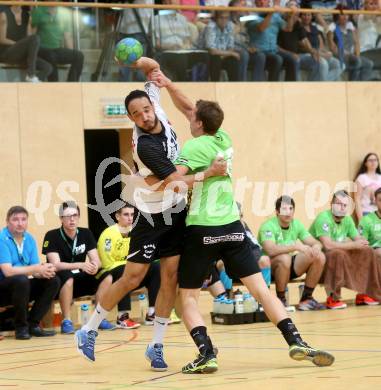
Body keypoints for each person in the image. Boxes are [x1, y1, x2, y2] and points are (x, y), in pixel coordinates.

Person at [149, 69, 334, 373]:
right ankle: (296, 340)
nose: (188, 117)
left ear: (198, 124)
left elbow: (175, 182)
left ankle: (206, 352)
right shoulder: (224, 138)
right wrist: (168, 84)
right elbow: (189, 108)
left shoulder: (193, 148)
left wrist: (171, 175)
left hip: (202, 228)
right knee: (262, 290)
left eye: (192, 117)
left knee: (189, 296)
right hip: (234, 227)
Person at [75, 56, 226, 367]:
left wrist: (147, 64)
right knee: (134, 277)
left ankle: (156, 344)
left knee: (170, 277)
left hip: (176, 214)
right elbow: (174, 183)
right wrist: (207, 174)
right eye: (136, 114)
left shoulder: (154, 104)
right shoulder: (146, 146)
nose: (144, 116)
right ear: (131, 119)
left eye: (146, 109)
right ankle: (88, 329)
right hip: (152, 214)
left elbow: (162, 83)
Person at [43, 201, 115, 334]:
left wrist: (94, 266)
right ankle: (67, 320)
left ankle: (98, 318)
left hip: (80, 278)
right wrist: (81, 265)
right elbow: (56, 265)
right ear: (61, 219)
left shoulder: (85, 233)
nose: (72, 219)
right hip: (61, 280)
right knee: (67, 277)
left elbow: (97, 260)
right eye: (67, 216)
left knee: (106, 275)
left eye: (75, 215)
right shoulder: (52, 235)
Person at [309, 190, 381, 309]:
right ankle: (333, 298)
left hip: (338, 259)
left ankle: (365, 293)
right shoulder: (324, 218)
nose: (341, 207)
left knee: (367, 251)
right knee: (337, 253)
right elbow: (328, 245)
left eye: (344, 205)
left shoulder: (347, 220)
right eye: (338, 204)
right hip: (319, 262)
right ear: (331, 204)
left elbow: (360, 241)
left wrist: (361, 243)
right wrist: (352, 245)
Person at [97, 204, 161, 328]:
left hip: (132, 272)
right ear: (117, 216)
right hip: (112, 273)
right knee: (124, 272)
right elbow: (107, 263)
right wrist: (130, 266)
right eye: (126, 214)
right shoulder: (109, 234)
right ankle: (122, 317)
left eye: (132, 215)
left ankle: (152, 313)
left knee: (155, 267)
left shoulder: (137, 232)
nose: (130, 218)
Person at [0, 206, 59, 340]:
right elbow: (8, 272)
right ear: (7, 222)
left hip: (22, 288)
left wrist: (43, 271)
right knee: (21, 280)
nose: (20, 223)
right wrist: (36, 269)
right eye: (15, 219)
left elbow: (35, 268)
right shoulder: (2, 239)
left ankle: (33, 325)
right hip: (4, 289)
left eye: (23, 219)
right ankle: (21, 327)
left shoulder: (30, 239)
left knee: (53, 280)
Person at [259, 196, 326, 311]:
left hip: (289, 267)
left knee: (319, 256)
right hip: (269, 269)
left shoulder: (297, 224)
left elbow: (316, 243)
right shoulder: (268, 226)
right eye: (284, 209)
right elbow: (270, 250)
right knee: (284, 258)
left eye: (290, 209)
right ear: (277, 212)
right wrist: (295, 246)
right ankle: (281, 299)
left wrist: (316, 247)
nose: (288, 212)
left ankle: (306, 299)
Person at [31, 5, 84, 81]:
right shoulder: (38, 11)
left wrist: (71, 52)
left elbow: (67, 37)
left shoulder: (64, 13)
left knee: (78, 55)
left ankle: (72, 86)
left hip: (56, 49)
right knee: (51, 55)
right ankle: (54, 86)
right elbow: (32, 35)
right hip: (41, 49)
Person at [0, 4, 52, 81]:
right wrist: (19, 45)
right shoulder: (4, 14)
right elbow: (2, 39)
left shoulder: (27, 15)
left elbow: (30, 37)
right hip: (7, 53)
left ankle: (30, 85)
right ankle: (31, 75)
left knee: (47, 68)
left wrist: (33, 18)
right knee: (34, 38)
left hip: (21, 54)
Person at [277, 0, 320, 81]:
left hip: (297, 55)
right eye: (291, 8)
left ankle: (311, 88)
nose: (294, 11)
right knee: (295, 60)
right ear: (286, 10)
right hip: (283, 55)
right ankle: (296, 88)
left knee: (318, 61)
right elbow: (277, 47)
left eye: (295, 8)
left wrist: (312, 51)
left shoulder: (297, 24)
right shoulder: (280, 22)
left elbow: (305, 40)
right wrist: (291, 54)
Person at [327, 5, 373, 81]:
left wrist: (357, 55)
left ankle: (361, 87)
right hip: (339, 56)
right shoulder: (333, 27)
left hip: (351, 56)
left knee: (369, 63)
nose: (345, 17)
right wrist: (345, 54)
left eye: (347, 15)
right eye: (342, 15)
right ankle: (352, 86)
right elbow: (332, 47)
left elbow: (357, 43)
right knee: (357, 61)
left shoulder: (350, 26)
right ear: (337, 16)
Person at [198, 10, 242, 81]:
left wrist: (226, 54)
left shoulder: (229, 25)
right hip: (206, 55)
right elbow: (212, 51)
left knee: (233, 60)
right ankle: (215, 85)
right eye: (221, 18)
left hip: (222, 54)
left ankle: (234, 87)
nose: (224, 20)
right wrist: (230, 53)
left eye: (226, 18)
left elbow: (230, 46)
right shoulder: (210, 27)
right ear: (216, 18)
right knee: (216, 59)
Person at [299, 10, 342, 81]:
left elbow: (321, 45)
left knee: (339, 64)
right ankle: (322, 87)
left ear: (311, 16)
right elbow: (304, 47)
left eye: (308, 15)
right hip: (306, 54)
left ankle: (319, 85)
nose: (306, 17)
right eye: (304, 15)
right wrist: (320, 54)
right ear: (300, 16)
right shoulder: (299, 28)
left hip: (318, 53)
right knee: (323, 63)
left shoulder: (314, 28)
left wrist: (326, 52)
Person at [354, 153, 381, 222]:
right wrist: (361, 219)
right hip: (367, 212)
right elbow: (357, 199)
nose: (373, 162)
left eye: (375, 160)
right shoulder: (361, 178)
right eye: (370, 160)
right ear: (365, 163)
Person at [359, 187, 381, 262]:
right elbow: (361, 244)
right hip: (374, 254)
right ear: (375, 201)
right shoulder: (366, 220)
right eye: (380, 200)